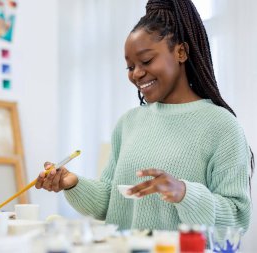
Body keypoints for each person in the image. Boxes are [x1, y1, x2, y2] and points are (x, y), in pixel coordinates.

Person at [35, 0, 253, 231]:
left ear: (181, 52)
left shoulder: (222, 126)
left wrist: (184, 193)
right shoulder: (128, 123)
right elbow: (114, 202)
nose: (137, 74)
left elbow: (237, 218)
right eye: (130, 67)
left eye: (146, 61)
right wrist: (73, 183)